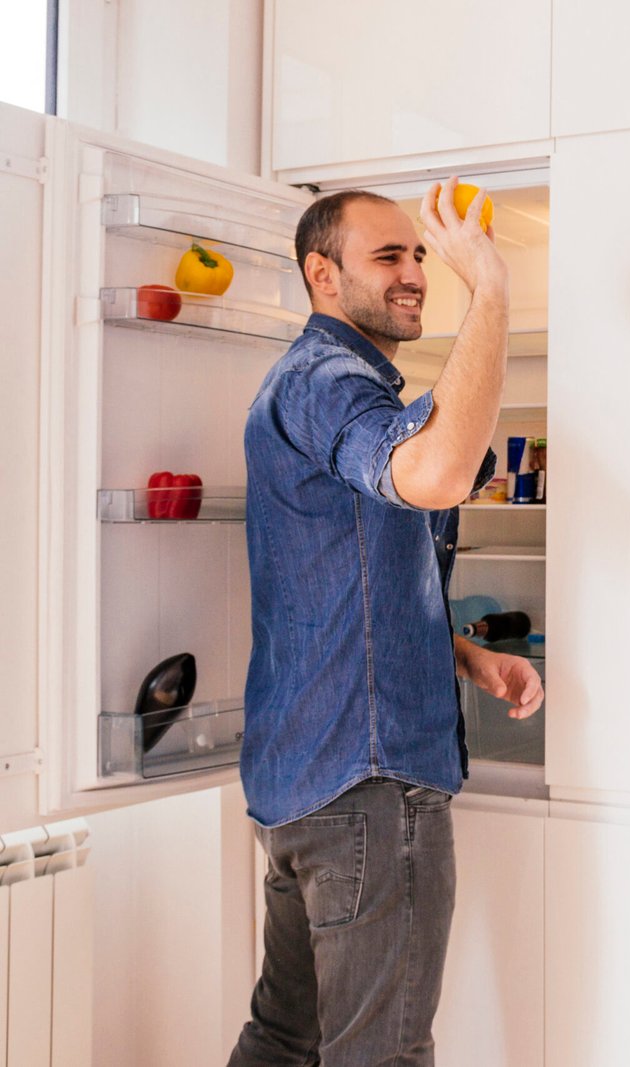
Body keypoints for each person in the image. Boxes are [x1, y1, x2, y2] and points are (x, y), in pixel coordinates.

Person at [229, 180, 544, 1066]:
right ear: (321, 275)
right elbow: (440, 472)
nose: (414, 273)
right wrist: (492, 290)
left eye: (417, 255)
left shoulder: (333, 387)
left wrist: (464, 653)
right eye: (389, 256)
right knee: (382, 1055)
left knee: (283, 1038)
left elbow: (339, 586)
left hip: (305, 780)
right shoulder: (329, 380)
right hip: (367, 788)